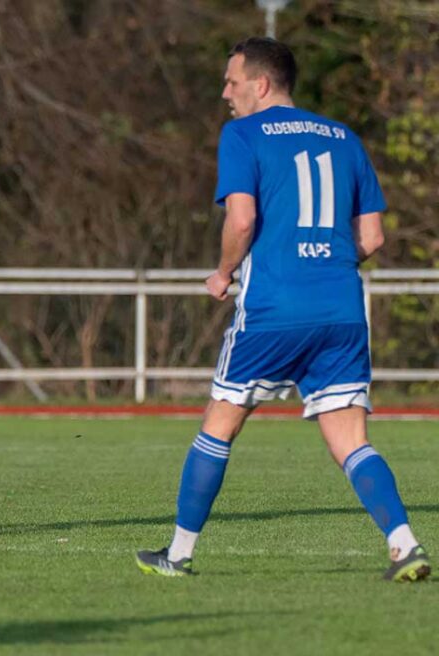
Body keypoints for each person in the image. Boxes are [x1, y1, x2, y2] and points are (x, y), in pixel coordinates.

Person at [136, 37, 430, 581]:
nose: (225, 92)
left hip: (273, 308)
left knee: (218, 426)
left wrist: (223, 274)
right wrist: (329, 263)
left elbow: (242, 221)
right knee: (352, 442)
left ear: (261, 84)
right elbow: (373, 236)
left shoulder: (243, 134)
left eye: (232, 81)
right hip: (341, 309)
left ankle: (177, 555)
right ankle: (404, 544)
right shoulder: (343, 137)